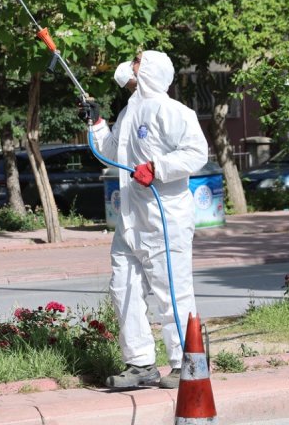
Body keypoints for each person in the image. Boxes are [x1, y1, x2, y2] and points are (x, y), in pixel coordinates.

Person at [81, 50, 209, 389]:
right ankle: (140, 364)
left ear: (150, 70)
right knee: (123, 288)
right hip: (130, 219)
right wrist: (96, 123)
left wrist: (157, 169)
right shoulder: (128, 112)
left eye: (137, 60)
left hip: (164, 218)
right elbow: (110, 152)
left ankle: (188, 363)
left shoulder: (174, 112)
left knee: (172, 292)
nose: (130, 64)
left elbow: (197, 153)